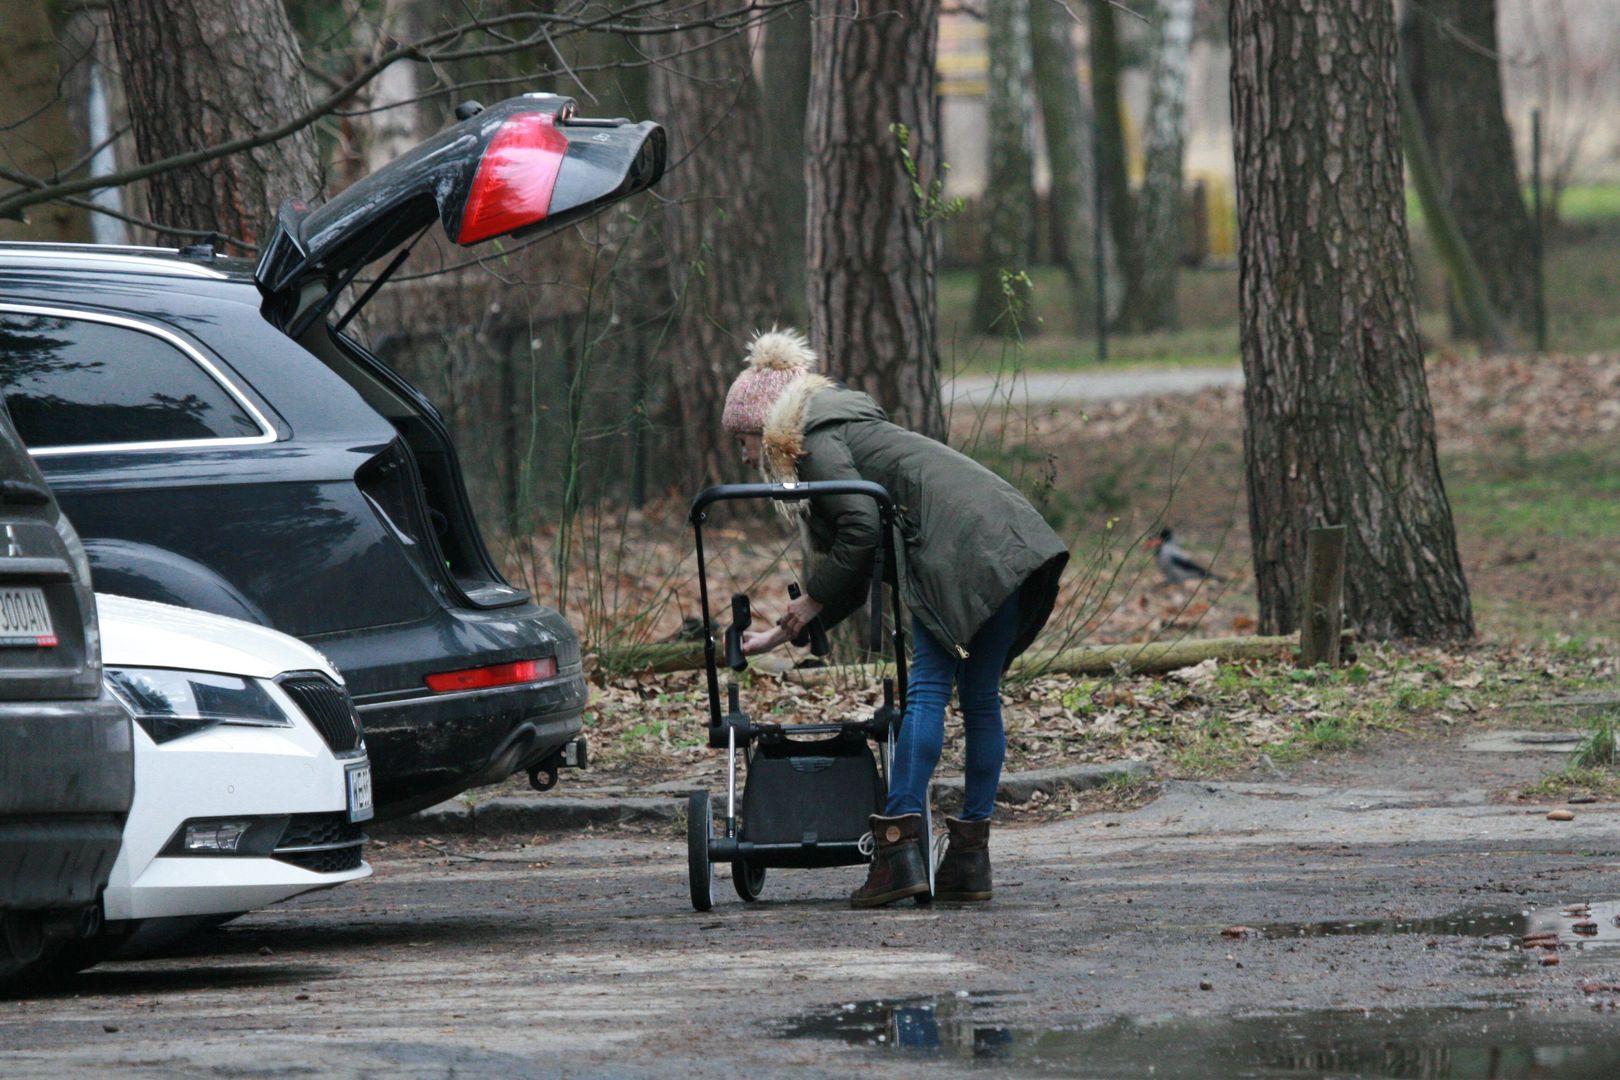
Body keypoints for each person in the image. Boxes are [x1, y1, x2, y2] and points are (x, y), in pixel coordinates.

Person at [723, 329, 1069, 908]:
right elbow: (862, 554)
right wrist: (796, 623)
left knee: (931, 689)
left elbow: (859, 526)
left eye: (744, 440)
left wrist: (811, 600)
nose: (744, 456)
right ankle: (969, 862)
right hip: (1010, 541)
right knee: (981, 698)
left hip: (960, 553)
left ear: (769, 426)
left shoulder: (817, 438)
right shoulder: (850, 424)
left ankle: (898, 852)